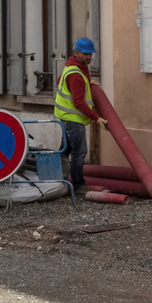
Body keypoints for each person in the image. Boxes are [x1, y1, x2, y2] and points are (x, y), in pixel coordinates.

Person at [54, 37, 103, 192]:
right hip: (73, 119)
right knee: (79, 153)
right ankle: (78, 185)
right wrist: (97, 118)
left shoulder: (73, 66)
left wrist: (87, 83)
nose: (88, 57)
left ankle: (60, 182)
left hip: (65, 117)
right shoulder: (76, 73)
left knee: (64, 151)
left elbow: (58, 81)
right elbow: (79, 102)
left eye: (90, 54)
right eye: (85, 54)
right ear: (76, 52)